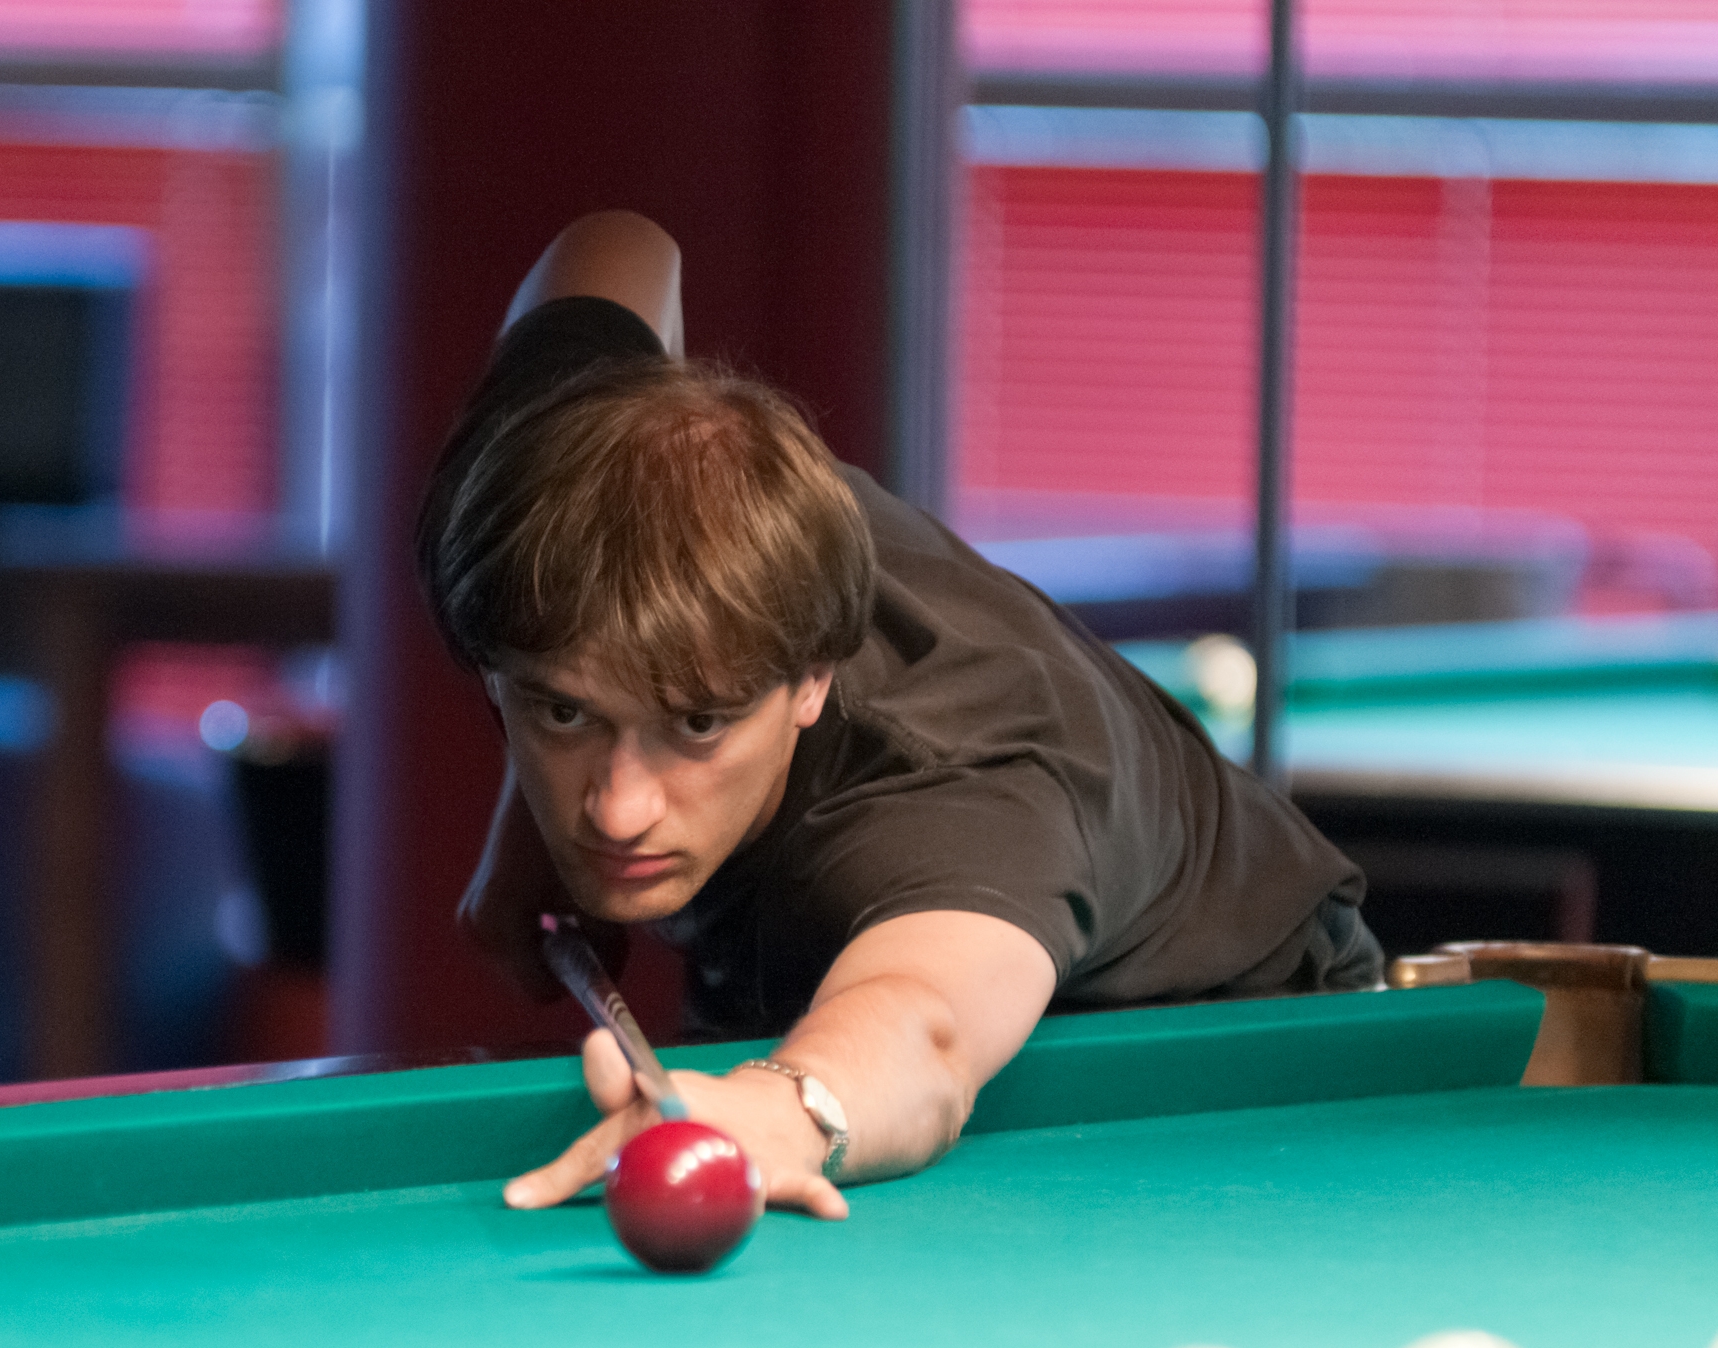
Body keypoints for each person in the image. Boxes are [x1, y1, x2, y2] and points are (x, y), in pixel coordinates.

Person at [419, 211, 1382, 1221]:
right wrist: (526, 834)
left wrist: (783, 1113)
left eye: (698, 725)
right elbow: (623, 246)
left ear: (811, 679)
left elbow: (924, 1026)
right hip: (823, 966)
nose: (618, 812)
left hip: (1218, 1049)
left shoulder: (963, 787)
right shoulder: (547, 478)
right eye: (564, 709)